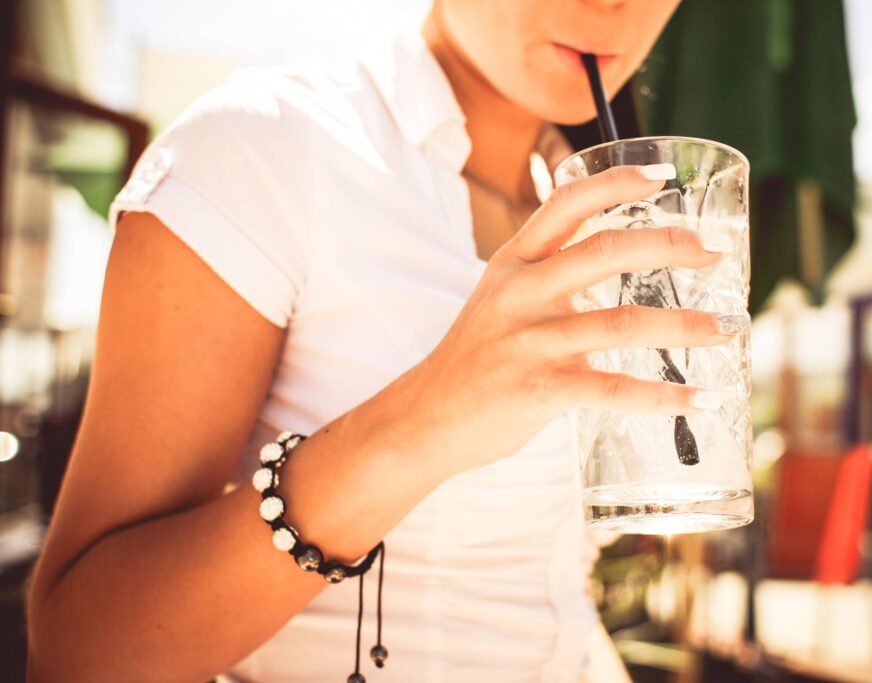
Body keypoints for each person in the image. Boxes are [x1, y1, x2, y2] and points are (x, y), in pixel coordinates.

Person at [25, 1, 739, 680]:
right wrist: (425, 419)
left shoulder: (601, 210)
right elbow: (78, 653)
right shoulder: (259, 149)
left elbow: (546, 606)